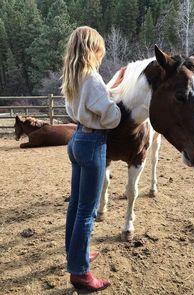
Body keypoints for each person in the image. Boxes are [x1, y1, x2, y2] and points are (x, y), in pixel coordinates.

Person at [61, 26, 121, 292]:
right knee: (88, 211)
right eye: (99, 50)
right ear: (91, 49)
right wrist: (113, 105)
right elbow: (111, 116)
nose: (101, 56)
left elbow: (78, 108)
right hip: (93, 141)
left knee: (76, 205)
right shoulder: (93, 78)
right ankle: (81, 273)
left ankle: (75, 255)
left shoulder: (72, 76)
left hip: (76, 140)